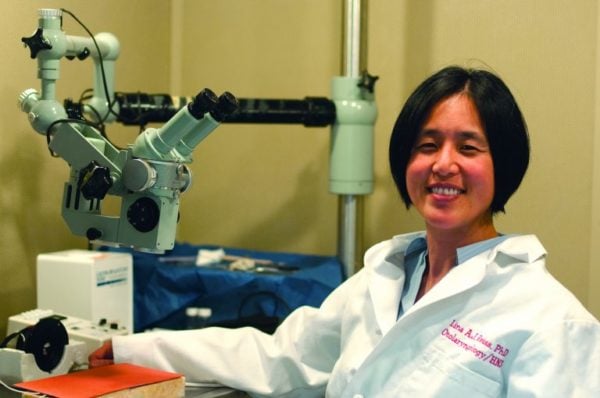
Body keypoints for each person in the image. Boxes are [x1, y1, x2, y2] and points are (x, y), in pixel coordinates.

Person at [90, 66, 600, 397]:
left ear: (504, 165)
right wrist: (134, 350)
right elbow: (279, 358)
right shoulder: (384, 278)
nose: (444, 165)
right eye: (427, 145)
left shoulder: (551, 321)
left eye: (469, 147)